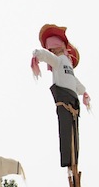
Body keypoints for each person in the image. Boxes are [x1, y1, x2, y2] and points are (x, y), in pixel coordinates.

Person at [31, 24, 90, 169]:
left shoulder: (62, 62)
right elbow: (48, 57)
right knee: (69, 131)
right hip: (65, 98)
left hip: (70, 99)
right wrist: (38, 54)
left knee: (70, 132)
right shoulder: (60, 62)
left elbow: (75, 82)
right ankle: (70, 162)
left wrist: (84, 91)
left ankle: (72, 161)